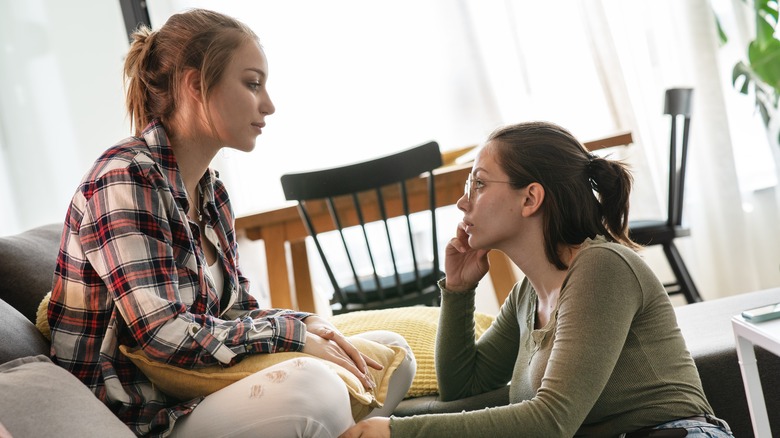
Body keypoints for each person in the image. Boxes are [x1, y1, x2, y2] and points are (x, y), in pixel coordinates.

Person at [46, 9, 414, 438]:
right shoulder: (123, 180)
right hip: (139, 418)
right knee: (314, 389)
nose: (269, 105)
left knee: (393, 354)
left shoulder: (211, 192)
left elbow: (235, 312)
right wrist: (292, 336)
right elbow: (163, 335)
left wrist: (306, 323)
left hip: (196, 392)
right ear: (196, 85)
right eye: (253, 84)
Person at [341, 121, 733, 438]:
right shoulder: (527, 295)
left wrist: (397, 432)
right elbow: (464, 387)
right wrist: (459, 291)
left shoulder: (603, 267)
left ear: (530, 198)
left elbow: (551, 422)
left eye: (479, 184)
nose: (463, 202)